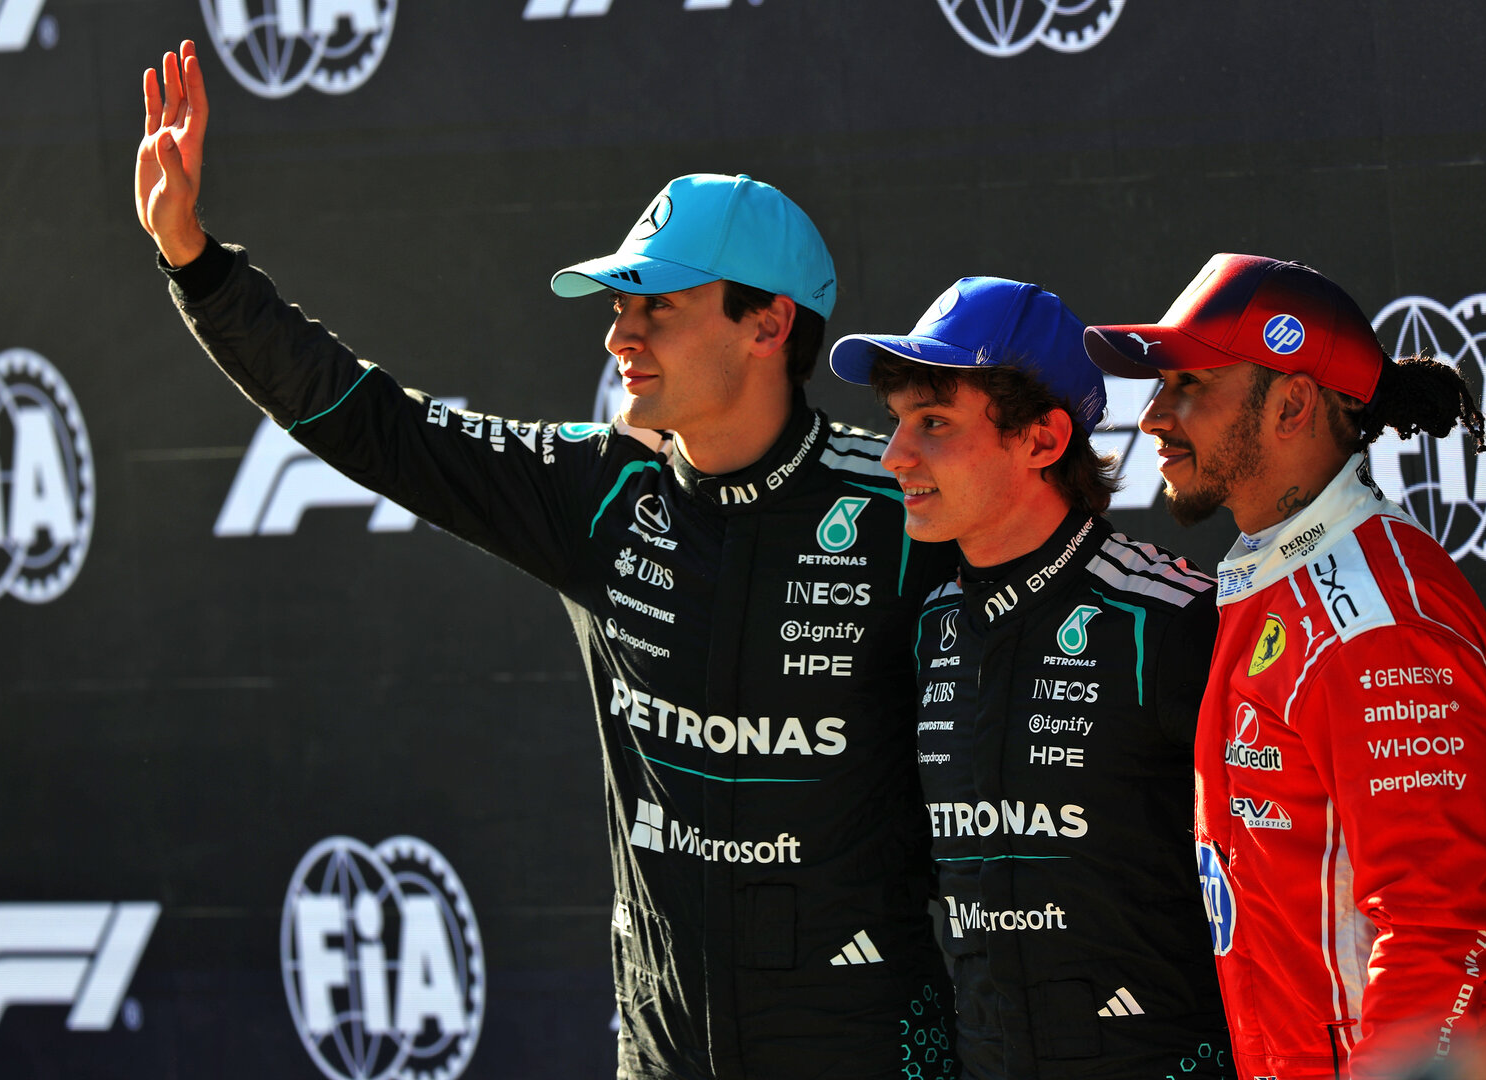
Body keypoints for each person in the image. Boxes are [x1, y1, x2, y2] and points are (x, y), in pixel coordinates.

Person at [135, 41, 959, 1080]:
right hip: (665, 1054)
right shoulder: (596, 491)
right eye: (618, 305)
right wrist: (196, 263)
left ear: (770, 322)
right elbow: (377, 427)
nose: (621, 335)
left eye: (657, 304)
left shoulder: (904, 507)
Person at [1084, 253, 1486, 1080]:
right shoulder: (1278, 577)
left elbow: (1435, 928)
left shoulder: (1377, 619)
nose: (1153, 417)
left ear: (1292, 402)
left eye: (1189, 386)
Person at [831, 277, 1232, 1080]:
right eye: (897, 422)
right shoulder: (931, 624)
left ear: (1044, 441)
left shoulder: (1170, 621)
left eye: (934, 423)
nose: (894, 455)